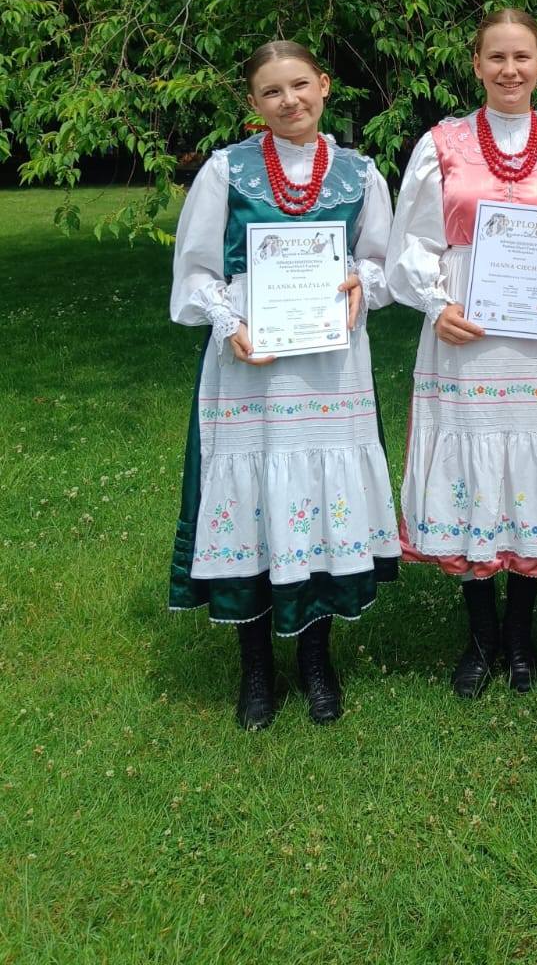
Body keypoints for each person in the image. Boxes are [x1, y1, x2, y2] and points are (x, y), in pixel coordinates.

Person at [169, 40, 399, 730]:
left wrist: (363, 283)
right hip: (253, 362)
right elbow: (196, 269)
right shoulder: (226, 170)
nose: (289, 100)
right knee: (253, 499)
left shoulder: (360, 173)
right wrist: (229, 319)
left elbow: (381, 262)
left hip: (330, 363)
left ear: (324, 85)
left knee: (321, 498)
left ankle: (316, 659)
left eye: (300, 85)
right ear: (254, 103)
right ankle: (256, 668)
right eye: (272, 91)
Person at [385, 9, 537, 697]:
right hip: (467, 328)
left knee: (533, 464)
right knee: (475, 461)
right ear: (477, 65)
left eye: (522, 57)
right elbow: (411, 243)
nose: (509, 70)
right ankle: (481, 634)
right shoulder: (442, 146)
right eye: (496, 57)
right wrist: (436, 304)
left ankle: (520, 632)